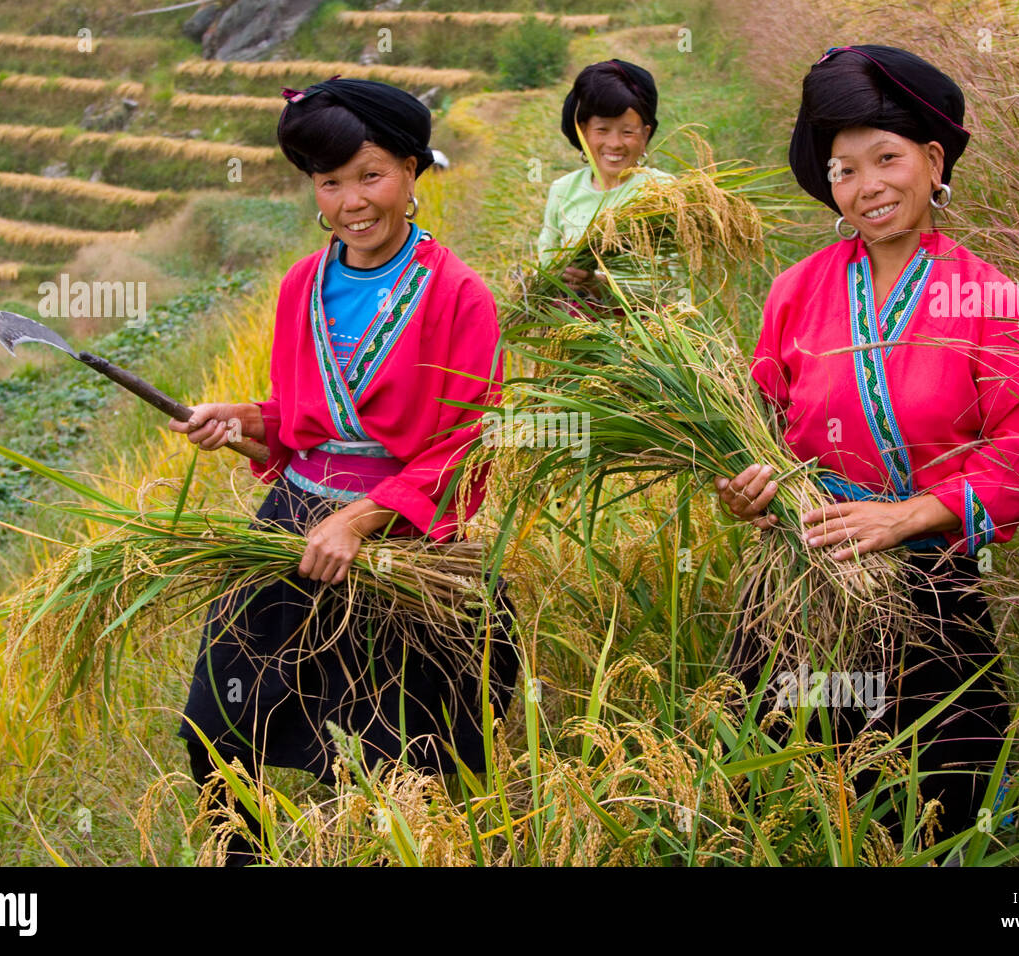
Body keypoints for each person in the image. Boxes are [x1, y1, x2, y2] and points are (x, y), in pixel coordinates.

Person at [714, 45, 1019, 847]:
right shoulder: (795, 292)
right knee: (794, 794)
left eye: (886, 158)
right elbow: (757, 425)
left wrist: (908, 517)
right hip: (806, 581)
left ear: (932, 159)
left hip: (930, 584)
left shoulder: (986, 294)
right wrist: (745, 489)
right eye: (843, 169)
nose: (867, 185)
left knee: (935, 803)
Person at [166, 76, 519, 864]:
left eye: (371, 175)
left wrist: (359, 521)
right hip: (294, 528)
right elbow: (299, 425)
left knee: (388, 754)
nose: (352, 201)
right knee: (217, 725)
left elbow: (467, 447)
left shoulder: (460, 295)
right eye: (330, 182)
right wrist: (241, 423)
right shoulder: (303, 285)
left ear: (412, 170)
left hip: (404, 540)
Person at [538, 59, 676, 305]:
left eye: (627, 132)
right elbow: (546, 265)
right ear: (582, 131)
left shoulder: (662, 192)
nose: (614, 144)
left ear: (645, 134)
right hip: (571, 331)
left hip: (644, 333)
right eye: (602, 130)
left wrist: (599, 285)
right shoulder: (562, 190)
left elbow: (669, 281)